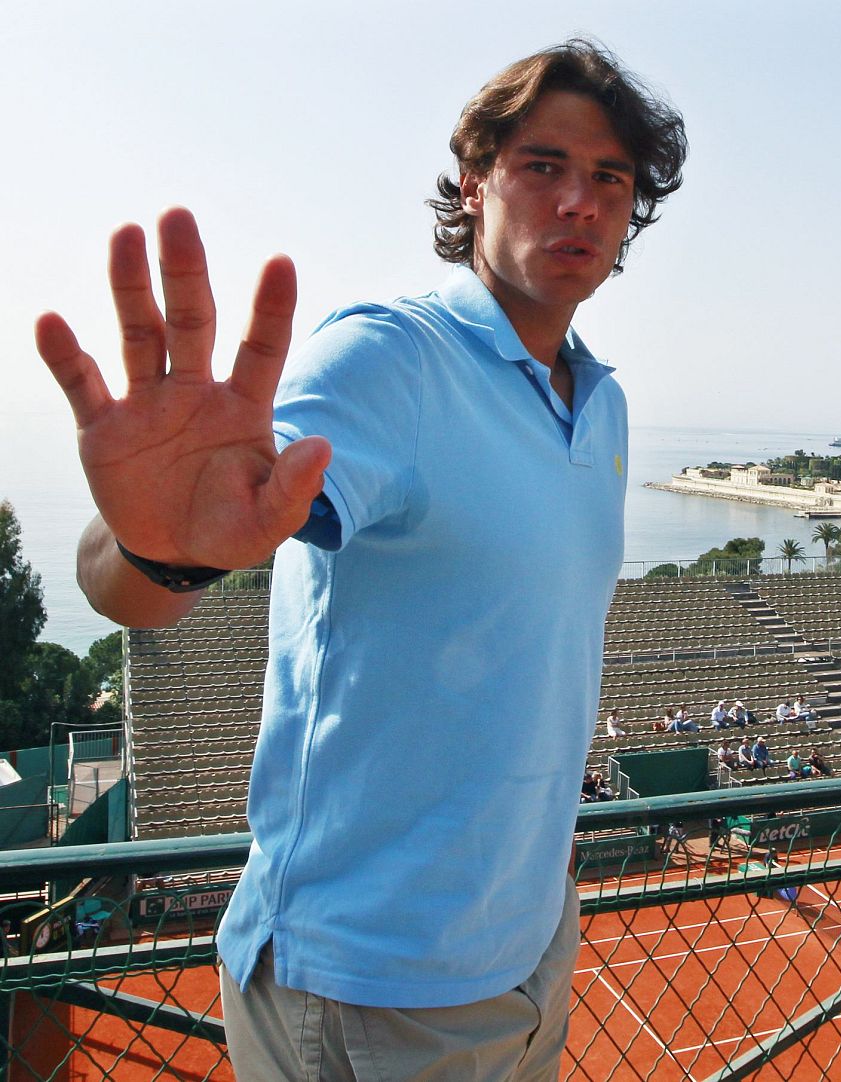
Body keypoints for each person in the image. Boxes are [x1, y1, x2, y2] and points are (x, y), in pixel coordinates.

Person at [34, 42, 688, 1080]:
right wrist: (161, 544)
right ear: (473, 186)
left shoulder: (598, 400)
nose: (579, 200)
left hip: (530, 942)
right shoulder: (392, 358)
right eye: (542, 165)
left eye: (610, 177)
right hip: (372, 982)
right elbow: (136, 581)